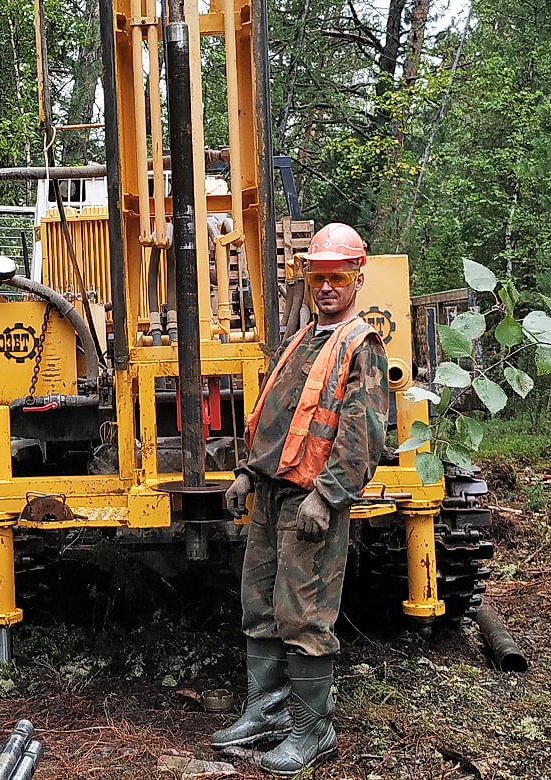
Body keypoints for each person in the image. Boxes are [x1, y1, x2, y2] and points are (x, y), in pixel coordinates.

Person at [213, 223, 391, 775]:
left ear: (357, 277)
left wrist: (329, 495)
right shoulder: (304, 336)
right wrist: (247, 472)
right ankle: (265, 711)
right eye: (319, 276)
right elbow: (277, 415)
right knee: (259, 603)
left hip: (311, 502)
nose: (327, 286)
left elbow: (364, 434)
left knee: (304, 612)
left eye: (338, 276)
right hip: (270, 495)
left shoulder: (360, 345)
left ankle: (315, 730)